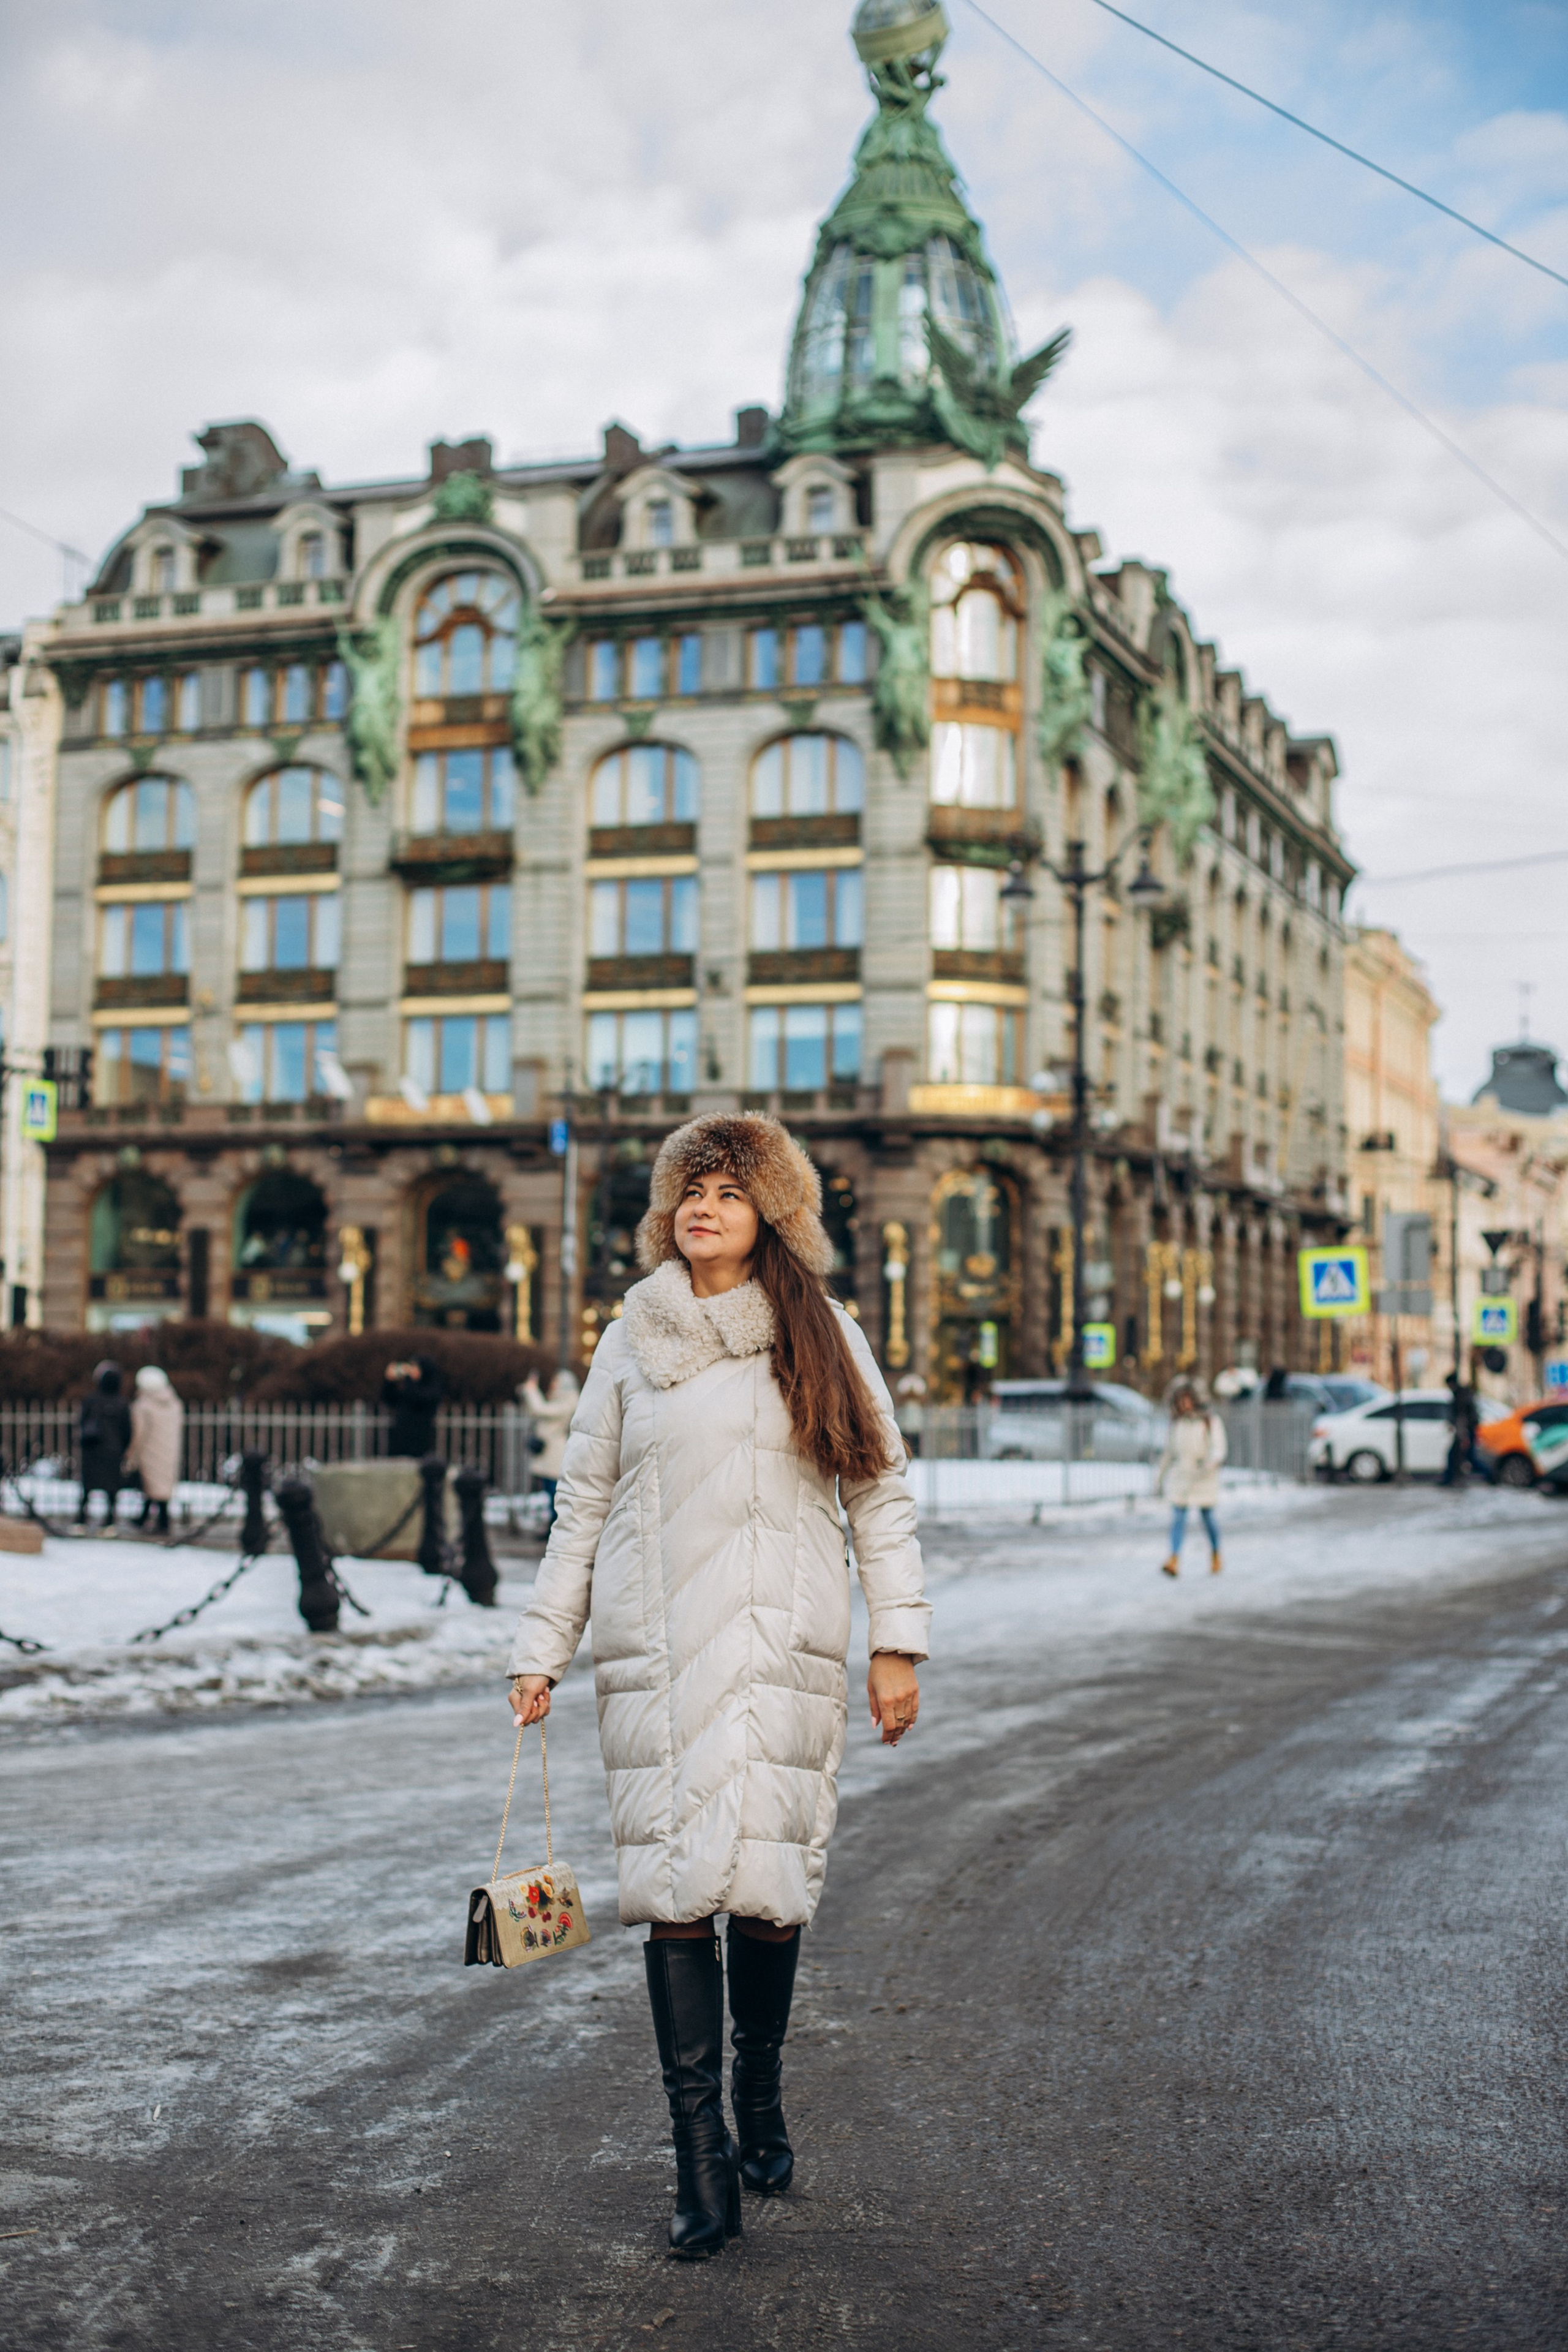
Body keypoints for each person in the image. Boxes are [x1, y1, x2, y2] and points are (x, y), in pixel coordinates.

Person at [507, 1112, 929, 2261]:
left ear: (771, 1216)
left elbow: (878, 1493)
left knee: (770, 1893)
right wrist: (542, 1648)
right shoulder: (628, 1340)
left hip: (782, 1644)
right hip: (655, 1652)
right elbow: (581, 1508)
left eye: (731, 1192)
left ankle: (759, 2090)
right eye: (691, 1190)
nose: (704, 1208)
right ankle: (700, 2156)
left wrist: (897, 1641)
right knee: (676, 1893)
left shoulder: (822, 1332)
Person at [1156, 1377, 1227, 1577]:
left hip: (1204, 1477)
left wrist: (1210, 1464)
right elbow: (1169, 1453)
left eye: (1187, 1399)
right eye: (1180, 1400)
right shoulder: (1177, 1424)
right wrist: (1159, 1478)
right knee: (1178, 1518)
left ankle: (1216, 1553)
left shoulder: (1209, 1422)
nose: (1184, 1404)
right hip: (1183, 1477)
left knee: (1208, 1518)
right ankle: (1174, 1558)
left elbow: (1219, 1449)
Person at [122, 1365, 184, 1534]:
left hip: (149, 1451)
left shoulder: (143, 1406)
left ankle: (157, 1521)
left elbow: (139, 1433)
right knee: (160, 1486)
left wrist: (132, 1453)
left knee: (151, 1485)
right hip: (169, 1450)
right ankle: (155, 1519)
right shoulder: (175, 1404)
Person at [519, 1367, 579, 1528]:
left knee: (555, 1492)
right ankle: (552, 1526)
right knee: (549, 1490)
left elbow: (540, 1410)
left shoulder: (568, 1402)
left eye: (556, 1381)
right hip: (549, 1453)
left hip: (555, 1454)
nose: (553, 1384)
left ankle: (556, 1525)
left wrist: (532, 1390)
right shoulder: (559, 1400)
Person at [77, 1360, 132, 1529]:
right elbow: (127, 1430)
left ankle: (82, 1518)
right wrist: (124, 1448)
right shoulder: (122, 1403)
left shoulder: (91, 1400)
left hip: (92, 1449)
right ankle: (109, 1521)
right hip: (113, 1450)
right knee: (112, 1488)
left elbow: (82, 1422)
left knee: (87, 1487)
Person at [381, 1352, 443, 1457]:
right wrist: (389, 1382)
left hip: (420, 1440)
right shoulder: (408, 1387)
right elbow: (389, 1399)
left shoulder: (433, 1387)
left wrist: (410, 1380)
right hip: (400, 1438)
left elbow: (418, 1398)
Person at [1442, 1373, 1494, 1486]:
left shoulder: (1460, 1396)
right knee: (1461, 1456)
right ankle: (1450, 1477)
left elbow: (1463, 1416)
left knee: (1466, 1456)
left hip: (1466, 1430)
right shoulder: (1463, 1394)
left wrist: (1463, 1434)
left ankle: (1491, 1475)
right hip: (1467, 1430)